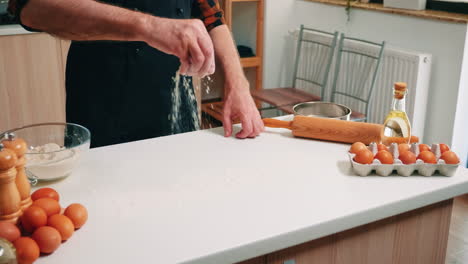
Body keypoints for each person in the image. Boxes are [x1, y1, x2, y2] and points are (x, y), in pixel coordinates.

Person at [8, 0, 264, 147]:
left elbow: (213, 18)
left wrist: (238, 85)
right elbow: (33, 8)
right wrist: (149, 26)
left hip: (176, 100)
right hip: (106, 106)